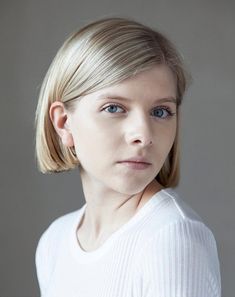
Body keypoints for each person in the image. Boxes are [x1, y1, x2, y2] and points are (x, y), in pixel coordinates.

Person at [34, 17, 221, 297]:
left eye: (160, 112)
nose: (143, 135)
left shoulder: (172, 238)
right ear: (63, 123)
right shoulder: (54, 242)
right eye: (114, 108)